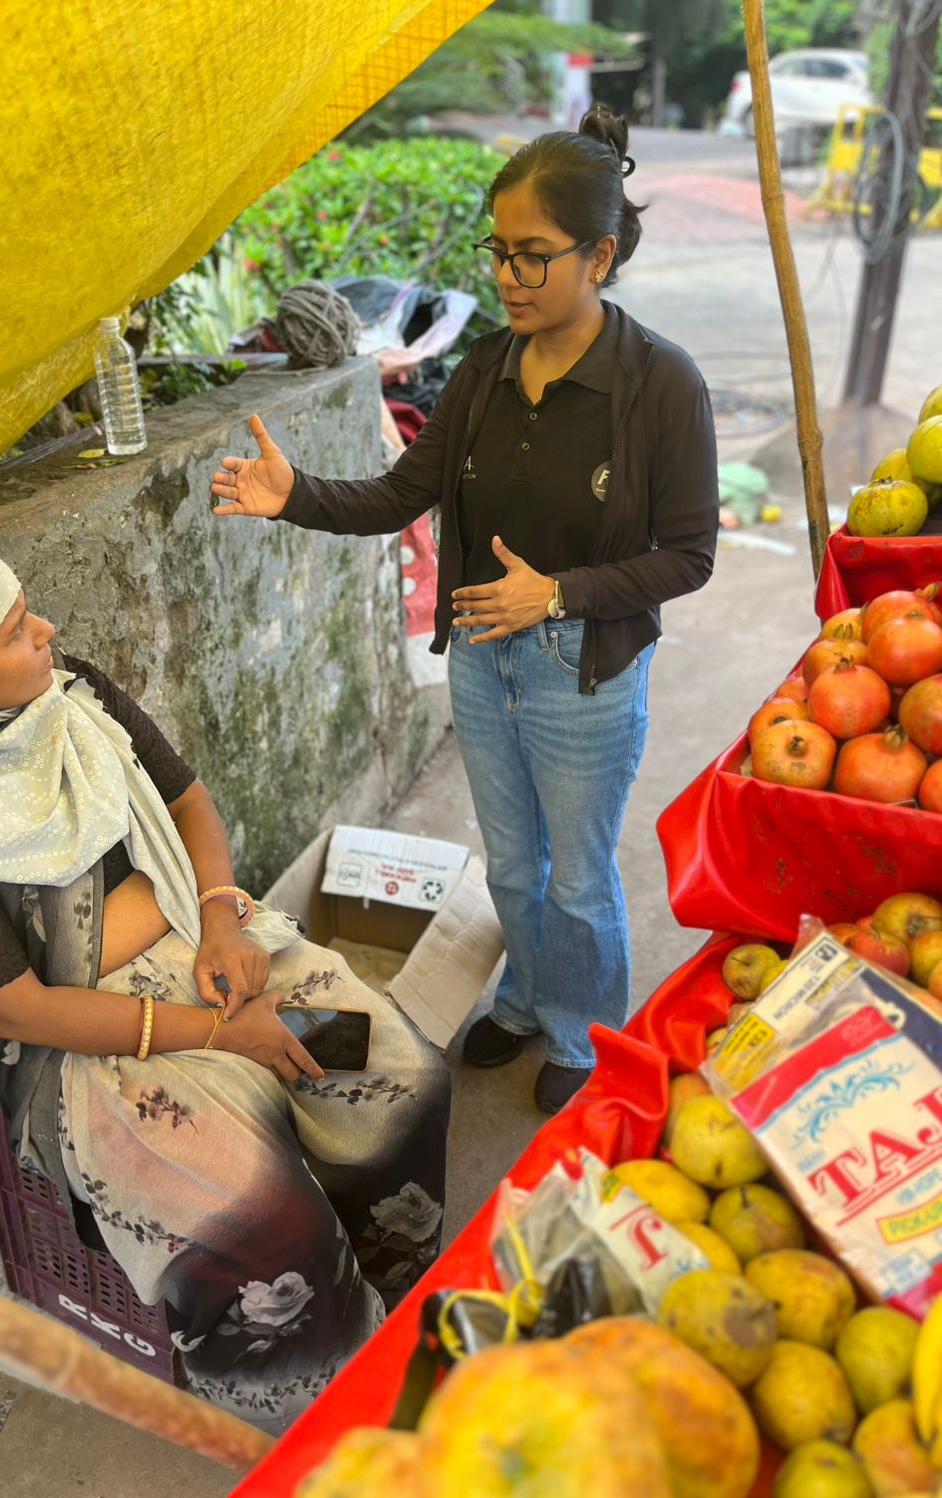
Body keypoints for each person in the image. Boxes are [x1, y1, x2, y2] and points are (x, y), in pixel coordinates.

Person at [0, 536, 450, 1431]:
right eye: (14, 632)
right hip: (85, 1037)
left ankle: (392, 1300)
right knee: (260, 1218)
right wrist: (225, 1034)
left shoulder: (74, 694)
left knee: (400, 1077)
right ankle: (329, 1411)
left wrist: (221, 920)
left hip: (203, 941)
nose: (46, 630)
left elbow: (187, 801)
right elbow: (19, 1008)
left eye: (27, 609)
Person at [211, 106, 718, 1115]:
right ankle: (526, 1003)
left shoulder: (660, 383)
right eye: (499, 252)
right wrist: (296, 494)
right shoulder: (486, 369)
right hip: (485, 658)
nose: (508, 277)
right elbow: (401, 495)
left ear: (600, 254)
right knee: (515, 865)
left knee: (578, 875)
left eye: (534, 256)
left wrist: (559, 593)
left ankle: (581, 1031)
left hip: (584, 669)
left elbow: (689, 556)